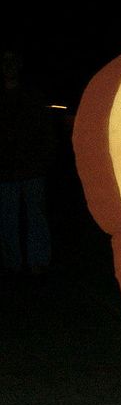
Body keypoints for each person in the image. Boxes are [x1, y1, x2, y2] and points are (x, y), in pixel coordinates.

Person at [0, 49, 56, 278]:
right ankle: (13, 264)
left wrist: (47, 156)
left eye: (13, 61)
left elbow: (45, 130)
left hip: (32, 167)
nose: (9, 66)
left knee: (36, 216)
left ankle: (38, 263)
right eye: (5, 62)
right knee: (7, 218)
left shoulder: (32, 96)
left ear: (19, 65)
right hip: (4, 170)